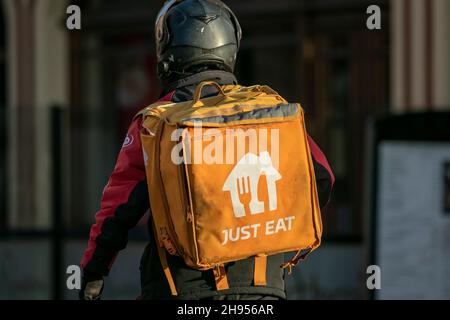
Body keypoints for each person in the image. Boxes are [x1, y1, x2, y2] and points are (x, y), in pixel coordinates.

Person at [79, 0, 334, 300]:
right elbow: (322, 177)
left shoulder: (157, 122)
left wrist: (93, 273)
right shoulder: (270, 112)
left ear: (168, 53)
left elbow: (118, 211)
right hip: (264, 291)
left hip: (181, 291)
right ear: (230, 49)